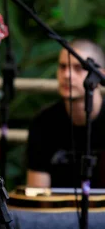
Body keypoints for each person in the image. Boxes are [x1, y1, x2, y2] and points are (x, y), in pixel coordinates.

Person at [26, 39, 105, 188]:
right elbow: (38, 194)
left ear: (100, 75)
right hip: (56, 210)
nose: (67, 75)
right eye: (62, 67)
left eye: (78, 68)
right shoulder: (43, 123)